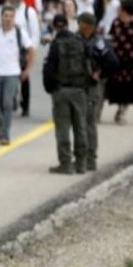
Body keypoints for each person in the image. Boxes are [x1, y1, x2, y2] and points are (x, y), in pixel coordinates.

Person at [43, 14, 90, 174]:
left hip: (61, 90)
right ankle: (81, 163)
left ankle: (66, 164)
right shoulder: (80, 42)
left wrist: (51, 89)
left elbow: (48, 70)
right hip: (79, 90)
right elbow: (89, 64)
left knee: (63, 128)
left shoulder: (55, 44)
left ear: (55, 26)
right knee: (80, 127)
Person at [0, 6, 34, 146]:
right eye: (5, 16)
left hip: (12, 72)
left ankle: (5, 134)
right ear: (1, 17)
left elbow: (30, 50)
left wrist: (27, 69)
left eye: (10, 16)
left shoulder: (20, 33)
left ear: (14, 18)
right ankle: (0, 125)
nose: (8, 19)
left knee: (7, 103)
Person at [77, 12, 118, 171]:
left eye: (81, 23)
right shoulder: (77, 38)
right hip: (78, 85)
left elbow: (113, 63)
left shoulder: (99, 42)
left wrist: (99, 74)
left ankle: (90, 158)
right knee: (80, 123)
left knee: (89, 123)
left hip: (92, 87)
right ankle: (81, 158)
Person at [105, 0, 133, 125]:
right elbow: (111, 38)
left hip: (131, 61)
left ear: (126, 10)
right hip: (116, 60)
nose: (118, 10)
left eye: (120, 8)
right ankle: (116, 107)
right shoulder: (116, 23)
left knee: (129, 87)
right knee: (114, 85)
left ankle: (122, 111)